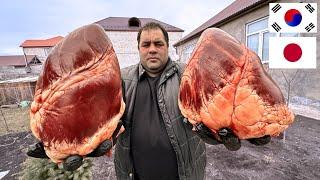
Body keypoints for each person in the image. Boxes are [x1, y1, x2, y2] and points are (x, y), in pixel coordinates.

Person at [27, 22, 270, 178]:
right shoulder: (119, 81)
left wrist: (232, 132)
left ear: (167, 47)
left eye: (158, 44)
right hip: (135, 175)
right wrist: (78, 140)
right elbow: (101, 120)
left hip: (184, 174)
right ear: (139, 49)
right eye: (146, 44)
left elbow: (216, 114)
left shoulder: (190, 77)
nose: (152, 49)